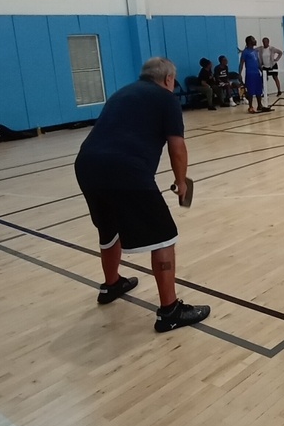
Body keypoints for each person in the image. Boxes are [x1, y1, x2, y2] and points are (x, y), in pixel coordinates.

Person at [73, 58, 210, 332]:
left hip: (86, 164)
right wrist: (181, 182)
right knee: (164, 238)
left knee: (109, 229)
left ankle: (112, 285)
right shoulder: (166, 98)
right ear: (169, 79)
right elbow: (177, 146)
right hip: (126, 170)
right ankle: (170, 311)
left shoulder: (122, 93)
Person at [239, 36, 270, 113]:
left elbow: (258, 63)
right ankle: (250, 106)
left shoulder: (255, 51)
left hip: (257, 74)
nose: (255, 40)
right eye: (253, 39)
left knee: (259, 89)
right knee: (250, 90)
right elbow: (241, 63)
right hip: (250, 74)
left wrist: (263, 72)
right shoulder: (245, 52)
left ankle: (260, 105)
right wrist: (239, 74)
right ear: (249, 41)